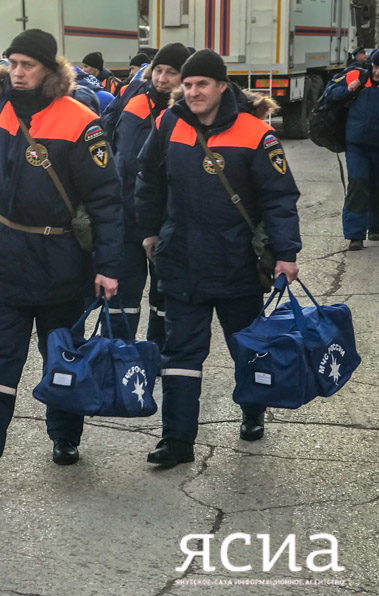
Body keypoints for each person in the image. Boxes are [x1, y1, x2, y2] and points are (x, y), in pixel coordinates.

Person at [0, 29, 123, 482]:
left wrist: (108, 266)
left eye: (28, 65)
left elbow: (106, 200)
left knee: (62, 357)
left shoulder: (80, 120)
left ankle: (65, 436)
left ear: (49, 70)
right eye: (13, 63)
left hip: (62, 261)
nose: (17, 73)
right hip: (4, 256)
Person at [135, 49, 302, 468]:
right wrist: (150, 231)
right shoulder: (169, 123)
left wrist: (286, 253)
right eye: (188, 84)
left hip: (237, 263)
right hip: (182, 260)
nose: (193, 92)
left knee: (247, 348)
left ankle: (253, 411)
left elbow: (279, 197)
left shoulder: (255, 132)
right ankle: (176, 441)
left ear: (222, 87)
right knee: (180, 356)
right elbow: (149, 181)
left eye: (202, 84)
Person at [105, 43, 190, 349]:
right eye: (158, 70)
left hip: (166, 218)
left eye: (171, 72)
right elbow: (107, 137)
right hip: (126, 213)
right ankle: (119, 356)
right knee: (121, 295)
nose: (162, 79)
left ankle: (158, 354)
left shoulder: (189, 110)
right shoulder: (132, 96)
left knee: (164, 294)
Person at [326, 49, 379, 250]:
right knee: (358, 185)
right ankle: (355, 235)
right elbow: (329, 93)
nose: (377, 72)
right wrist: (348, 90)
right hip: (357, 145)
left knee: (376, 186)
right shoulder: (356, 74)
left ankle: (375, 228)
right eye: (375, 67)